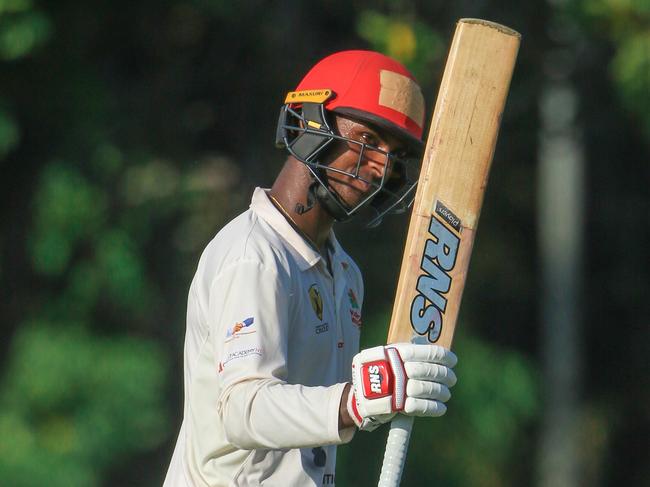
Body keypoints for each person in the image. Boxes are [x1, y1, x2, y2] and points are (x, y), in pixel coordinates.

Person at [163, 50, 458, 487]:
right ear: (311, 124)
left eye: (394, 155)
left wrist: (390, 392)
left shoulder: (345, 274)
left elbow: (307, 436)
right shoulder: (255, 257)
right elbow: (242, 411)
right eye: (369, 141)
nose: (381, 168)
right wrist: (356, 401)